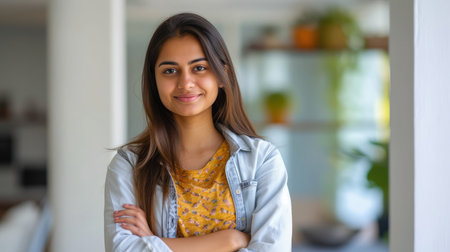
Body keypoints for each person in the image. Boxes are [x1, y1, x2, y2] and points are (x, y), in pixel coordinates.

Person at [104, 13, 292, 252]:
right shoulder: (129, 165)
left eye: (200, 68)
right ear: (154, 81)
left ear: (222, 76)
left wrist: (157, 242)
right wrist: (230, 241)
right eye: (170, 71)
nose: (186, 82)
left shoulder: (262, 160)